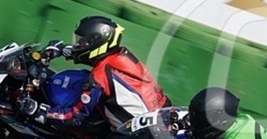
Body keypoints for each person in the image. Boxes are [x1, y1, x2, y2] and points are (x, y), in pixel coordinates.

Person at [20, 16, 170, 129]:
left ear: (97, 43)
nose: (78, 44)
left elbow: (74, 116)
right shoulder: (120, 56)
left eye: (83, 41)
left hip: (142, 133)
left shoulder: (99, 78)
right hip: (164, 114)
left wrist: (40, 112)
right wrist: (62, 49)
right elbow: (91, 55)